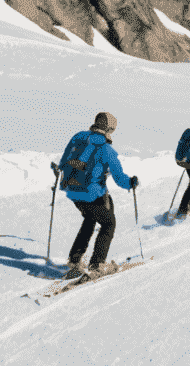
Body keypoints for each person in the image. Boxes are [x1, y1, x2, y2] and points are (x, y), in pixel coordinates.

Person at [57, 111, 137, 278]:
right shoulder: (107, 149)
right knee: (109, 223)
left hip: (72, 192)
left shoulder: (78, 137)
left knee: (90, 218)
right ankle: (96, 265)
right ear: (109, 129)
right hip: (91, 194)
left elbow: (63, 161)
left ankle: (74, 259)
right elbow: (120, 178)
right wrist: (131, 183)